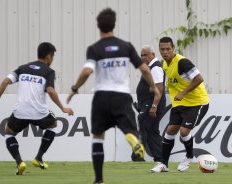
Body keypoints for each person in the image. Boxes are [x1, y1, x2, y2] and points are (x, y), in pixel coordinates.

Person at [66, 8, 160, 184]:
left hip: (101, 96)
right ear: (114, 24)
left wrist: (74, 89)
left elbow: (87, 71)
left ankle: (99, 179)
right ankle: (133, 138)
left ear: (98, 26)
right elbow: (145, 69)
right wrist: (154, 87)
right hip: (121, 96)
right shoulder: (126, 46)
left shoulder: (94, 48)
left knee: (98, 136)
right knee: (129, 129)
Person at [0, 42, 74, 175]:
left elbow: (5, 82)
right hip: (39, 113)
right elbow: (50, 90)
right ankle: (38, 158)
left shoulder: (23, 68)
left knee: (8, 133)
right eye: (53, 56)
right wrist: (62, 108)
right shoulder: (49, 71)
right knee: (53, 124)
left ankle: (20, 162)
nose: (52, 60)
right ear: (48, 56)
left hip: (20, 112)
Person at [151, 37, 209, 172]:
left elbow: (199, 78)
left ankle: (189, 156)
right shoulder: (165, 64)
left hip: (197, 103)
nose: (165, 52)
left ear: (173, 49)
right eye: (162, 49)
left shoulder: (182, 62)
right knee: (170, 130)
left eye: (168, 49)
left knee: (183, 131)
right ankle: (163, 164)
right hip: (179, 104)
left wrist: (183, 93)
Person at [132, 45, 166, 162]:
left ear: (153, 55)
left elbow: (159, 88)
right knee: (152, 131)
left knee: (143, 128)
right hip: (148, 104)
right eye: (141, 55)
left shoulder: (155, 67)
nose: (143, 57)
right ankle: (160, 157)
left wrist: (153, 106)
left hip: (151, 104)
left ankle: (137, 156)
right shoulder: (150, 67)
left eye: (145, 55)